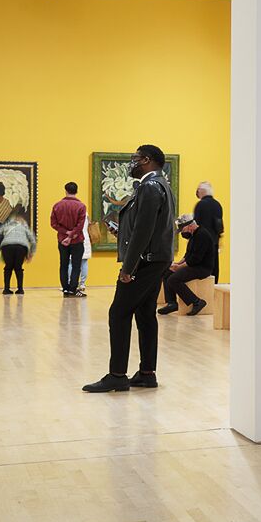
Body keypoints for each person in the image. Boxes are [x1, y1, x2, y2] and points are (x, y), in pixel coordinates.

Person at [84, 144, 175, 393]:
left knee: (119, 313)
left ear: (146, 160)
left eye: (134, 158)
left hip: (144, 261)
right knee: (145, 314)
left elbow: (144, 231)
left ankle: (117, 375)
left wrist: (129, 267)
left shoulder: (150, 186)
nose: (131, 163)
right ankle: (147, 373)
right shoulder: (159, 185)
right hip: (155, 260)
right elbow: (146, 227)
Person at [159, 208, 219, 315]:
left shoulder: (202, 235)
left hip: (203, 268)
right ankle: (171, 303)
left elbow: (195, 260)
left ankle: (197, 301)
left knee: (173, 279)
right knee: (166, 273)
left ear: (190, 226)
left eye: (183, 229)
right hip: (194, 265)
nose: (182, 232)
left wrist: (179, 268)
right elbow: (188, 255)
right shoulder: (193, 236)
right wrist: (177, 264)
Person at [50, 181, 88, 296]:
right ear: (76, 191)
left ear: (65, 190)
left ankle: (65, 289)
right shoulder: (81, 206)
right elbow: (80, 225)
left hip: (62, 240)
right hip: (77, 240)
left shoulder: (57, 205)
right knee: (76, 265)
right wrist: (71, 235)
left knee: (63, 264)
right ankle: (72, 289)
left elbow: (53, 223)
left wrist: (66, 234)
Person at [0, 205, 37, 294]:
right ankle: (20, 289)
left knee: (8, 267)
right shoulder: (24, 226)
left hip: (7, 246)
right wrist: (31, 253)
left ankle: (6, 289)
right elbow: (32, 240)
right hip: (21, 247)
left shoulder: (7, 225)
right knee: (18, 267)